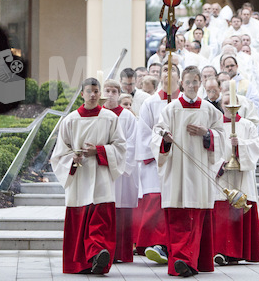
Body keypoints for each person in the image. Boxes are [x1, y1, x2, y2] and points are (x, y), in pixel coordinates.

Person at [151, 66, 225, 277]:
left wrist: (208, 133)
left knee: (195, 217)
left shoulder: (210, 110)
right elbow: (156, 135)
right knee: (178, 218)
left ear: (200, 83)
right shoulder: (170, 109)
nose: (192, 85)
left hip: (199, 173)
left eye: (195, 81)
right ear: (181, 83)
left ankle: (187, 261)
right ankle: (182, 260)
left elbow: (222, 137)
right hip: (175, 171)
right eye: (188, 81)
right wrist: (164, 139)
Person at [50, 77, 126, 274]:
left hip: (101, 176)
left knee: (99, 221)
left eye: (96, 91)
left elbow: (120, 147)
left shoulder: (110, 118)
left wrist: (99, 151)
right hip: (80, 176)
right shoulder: (70, 120)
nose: (93, 95)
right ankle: (84, 262)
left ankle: (98, 255)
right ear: (81, 94)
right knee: (81, 218)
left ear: (100, 94)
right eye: (89, 91)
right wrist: (72, 158)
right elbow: (59, 153)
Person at [134, 63, 181, 265]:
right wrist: (160, 149)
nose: (168, 74)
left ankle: (175, 245)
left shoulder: (186, 103)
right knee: (157, 203)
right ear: (159, 75)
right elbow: (144, 133)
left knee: (179, 203)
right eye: (165, 70)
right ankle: (158, 244)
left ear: (179, 77)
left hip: (181, 163)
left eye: (173, 71)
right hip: (157, 163)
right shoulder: (150, 103)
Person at [213, 91, 259, 266]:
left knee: (239, 209)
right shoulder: (216, 126)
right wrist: (219, 164)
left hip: (242, 175)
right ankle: (222, 251)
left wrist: (240, 145)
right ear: (221, 105)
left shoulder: (247, 125)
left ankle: (237, 252)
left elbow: (256, 147)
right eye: (226, 103)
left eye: (232, 102)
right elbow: (210, 150)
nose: (229, 106)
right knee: (222, 210)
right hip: (223, 174)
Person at [102, 79, 139, 263]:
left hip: (121, 172)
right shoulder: (98, 115)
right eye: (107, 90)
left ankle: (121, 252)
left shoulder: (127, 116)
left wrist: (119, 165)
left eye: (114, 91)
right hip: (101, 169)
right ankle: (104, 251)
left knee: (121, 212)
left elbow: (132, 143)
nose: (110, 94)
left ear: (119, 93)